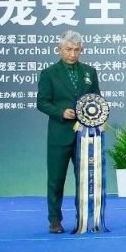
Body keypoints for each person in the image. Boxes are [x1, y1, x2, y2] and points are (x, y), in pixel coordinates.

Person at [37, 31, 101, 234]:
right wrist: (60, 112)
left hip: (85, 135)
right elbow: (42, 102)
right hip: (59, 135)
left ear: (82, 50)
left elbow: (97, 99)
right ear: (59, 49)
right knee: (56, 180)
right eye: (68, 49)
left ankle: (84, 217)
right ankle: (55, 220)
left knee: (85, 179)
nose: (72, 54)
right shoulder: (49, 73)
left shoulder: (90, 72)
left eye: (76, 50)